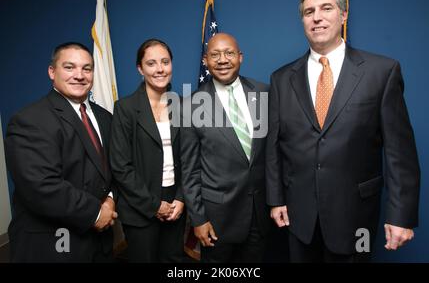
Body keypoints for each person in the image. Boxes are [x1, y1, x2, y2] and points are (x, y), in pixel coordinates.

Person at [266, 0, 420, 262]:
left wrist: (401, 215)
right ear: (302, 20)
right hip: (299, 218)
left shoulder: (381, 72)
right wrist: (276, 199)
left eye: (326, 8)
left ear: (344, 14)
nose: (317, 17)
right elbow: (275, 146)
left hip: (355, 217)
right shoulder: (281, 79)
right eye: (308, 11)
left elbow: (400, 153)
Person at [5, 42, 117, 262]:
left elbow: (114, 168)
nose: (79, 75)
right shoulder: (30, 119)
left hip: (99, 241)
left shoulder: (105, 117)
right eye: (69, 67)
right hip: (53, 244)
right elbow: (41, 187)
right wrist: (96, 213)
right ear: (52, 72)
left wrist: (111, 200)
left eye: (86, 68)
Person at [180, 33, 271, 263]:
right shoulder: (190, 106)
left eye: (229, 53)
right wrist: (198, 219)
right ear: (205, 61)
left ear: (240, 57)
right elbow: (190, 171)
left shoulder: (264, 93)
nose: (222, 60)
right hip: (217, 220)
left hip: (260, 215)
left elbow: (274, 153)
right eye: (215, 54)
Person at [109, 39, 185, 262]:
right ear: (140, 69)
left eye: (165, 62)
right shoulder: (125, 108)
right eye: (151, 63)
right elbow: (120, 166)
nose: (160, 69)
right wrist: (154, 205)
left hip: (176, 204)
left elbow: (190, 158)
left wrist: (181, 198)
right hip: (141, 206)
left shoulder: (183, 105)